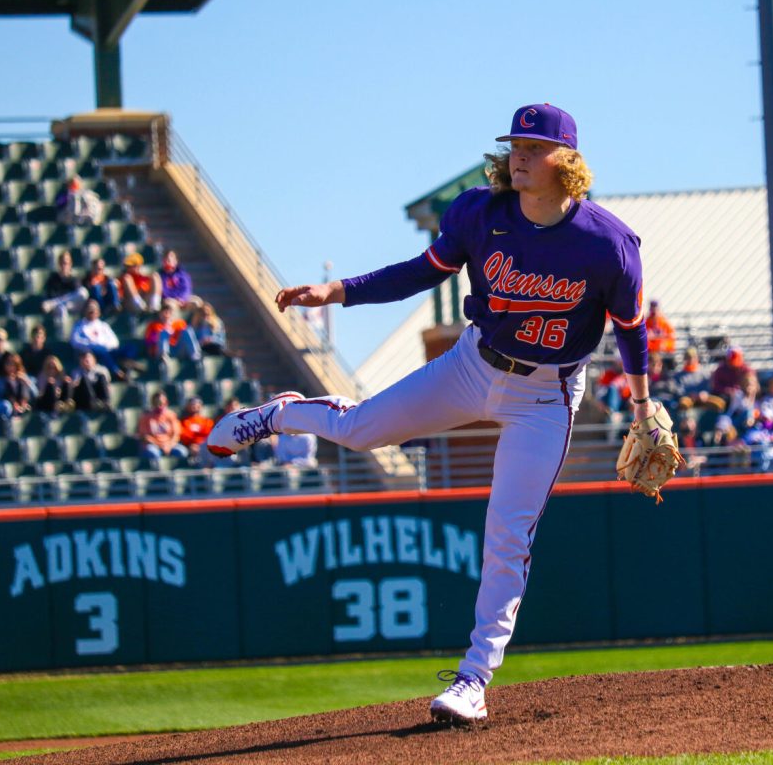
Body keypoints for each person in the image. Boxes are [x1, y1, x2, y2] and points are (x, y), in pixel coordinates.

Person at [206, 104, 653, 725]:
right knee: (357, 430)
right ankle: (282, 416)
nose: (519, 154)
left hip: (545, 397)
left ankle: (473, 679)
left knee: (507, 537)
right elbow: (421, 273)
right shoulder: (480, 211)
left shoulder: (608, 243)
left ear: (567, 162)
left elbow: (631, 330)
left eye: (534, 146)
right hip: (474, 364)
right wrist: (336, 291)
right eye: (514, 143)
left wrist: (642, 403)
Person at [138, 390, 188, 466]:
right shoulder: (146, 417)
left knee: (182, 451)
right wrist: (160, 445)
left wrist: (169, 445)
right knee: (153, 453)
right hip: (154, 445)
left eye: (161, 403)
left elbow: (176, 434)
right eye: (156, 403)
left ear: (166, 402)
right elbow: (145, 437)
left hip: (169, 445)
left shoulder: (171, 415)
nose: (159, 405)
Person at [41, 250, 89, 319]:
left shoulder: (74, 279)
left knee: (83, 292)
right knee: (61, 309)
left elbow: (80, 296)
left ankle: (55, 303)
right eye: (62, 263)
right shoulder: (53, 279)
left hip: (71, 306)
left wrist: (55, 302)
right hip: (57, 308)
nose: (64, 266)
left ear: (70, 264)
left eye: (66, 263)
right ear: (59, 264)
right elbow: (50, 296)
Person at [0, 353, 35, 418]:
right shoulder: (0, 379)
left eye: (13, 364)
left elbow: (35, 394)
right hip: (9, 409)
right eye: (8, 364)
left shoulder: (24, 377)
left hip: (23, 406)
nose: (11, 367)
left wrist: (27, 381)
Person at [178, 397, 215, 464]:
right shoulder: (183, 421)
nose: (194, 406)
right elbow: (184, 435)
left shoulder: (207, 421)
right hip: (189, 446)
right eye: (192, 404)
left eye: (197, 404)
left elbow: (208, 434)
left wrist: (199, 443)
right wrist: (192, 444)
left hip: (204, 445)